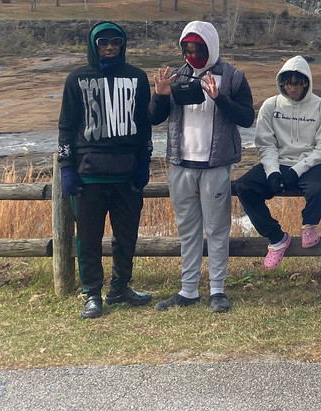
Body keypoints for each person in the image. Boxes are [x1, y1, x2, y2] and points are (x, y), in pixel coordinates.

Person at [149, 21, 255, 314]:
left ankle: (217, 290)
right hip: (181, 165)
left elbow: (247, 117)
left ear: (211, 46)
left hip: (216, 166)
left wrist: (220, 98)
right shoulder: (176, 76)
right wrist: (159, 94)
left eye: (198, 47)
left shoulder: (233, 77)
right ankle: (189, 289)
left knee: (218, 228)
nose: (192, 54)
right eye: (187, 48)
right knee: (187, 229)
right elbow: (154, 118)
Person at [56, 21, 154, 319]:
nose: (110, 46)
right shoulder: (76, 80)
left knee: (127, 236)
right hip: (88, 174)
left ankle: (121, 287)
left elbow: (145, 125)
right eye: (103, 42)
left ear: (123, 44)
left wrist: (144, 163)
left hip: (127, 175)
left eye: (116, 41)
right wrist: (66, 167)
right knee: (88, 237)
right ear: (93, 45)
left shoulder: (137, 77)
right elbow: (66, 126)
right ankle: (92, 294)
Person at [234, 56, 321, 270]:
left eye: (297, 83)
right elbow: (265, 143)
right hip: (278, 162)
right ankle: (277, 238)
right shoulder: (270, 106)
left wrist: (297, 171)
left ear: (306, 82)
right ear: (281, 82)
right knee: (243, 186)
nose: (291, 88)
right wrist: (272, 172)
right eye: (287, 82)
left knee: (320, 187)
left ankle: (309, 224)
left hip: (310, 164)